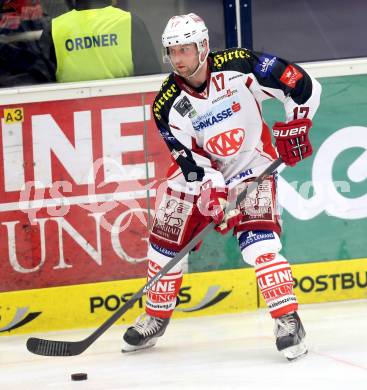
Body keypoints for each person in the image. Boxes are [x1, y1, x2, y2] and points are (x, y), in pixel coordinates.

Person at [122, 13, 321, 361]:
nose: (178, 59)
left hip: (253, 168)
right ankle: (155, 316)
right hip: (198, 176)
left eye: (185, 49)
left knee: (260, 246)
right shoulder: (165, 104)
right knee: (163, 246)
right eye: (172, 51)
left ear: (203, 46)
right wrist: (210, 189)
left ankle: (287, 320)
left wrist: (298, 123)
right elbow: (188, 161)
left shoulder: (242, 65)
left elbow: (304, 84)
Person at [30, 0, 161, 83]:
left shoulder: (55, 28)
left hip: (71, 114)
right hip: (124, 110)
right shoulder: (130, 22)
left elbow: (41, 82)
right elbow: (151, 80)